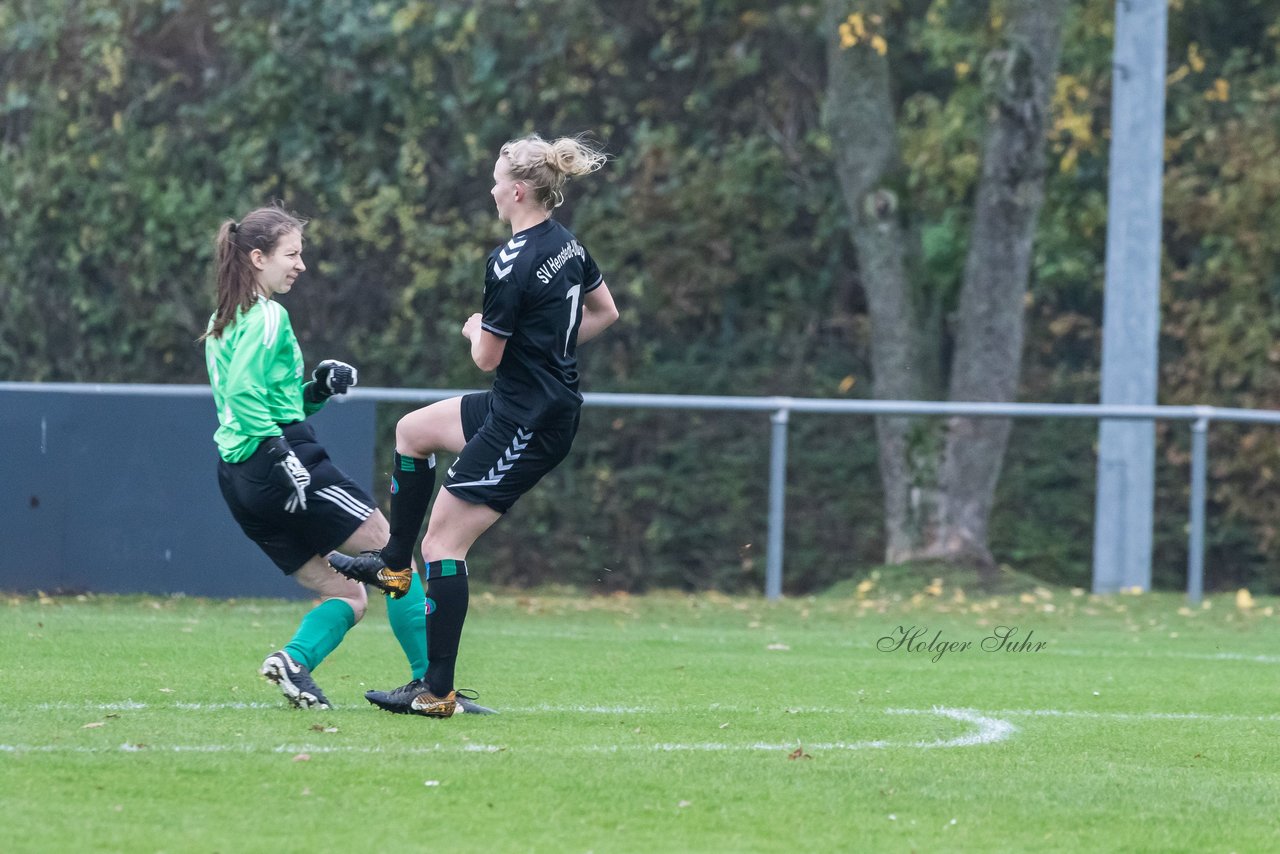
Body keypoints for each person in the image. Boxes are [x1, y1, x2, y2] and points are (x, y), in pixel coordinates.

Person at [330, 133, 620, 718]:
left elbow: (485, 357)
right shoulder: (570, 246)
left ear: (516, 191)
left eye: (494, 182)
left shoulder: (510, 263)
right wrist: (547, 353)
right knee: (412, 432)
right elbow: (605, 312)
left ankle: (436, 692)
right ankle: (391, 563)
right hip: (520, 400)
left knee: (442, 543)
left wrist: (473, 327)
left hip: (530, 419)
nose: (490, 191)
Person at [203, 204, 450, 712]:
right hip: (284, 459)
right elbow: (246, 394)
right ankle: (431, 687)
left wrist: (316, 389)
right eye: (291, 254)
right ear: (257, 258)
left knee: (349, 595)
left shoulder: (223, 319)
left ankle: (293, 662)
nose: (300, 265)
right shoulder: (269, 314)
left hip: (238, 479)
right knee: (393, 553)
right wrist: (281, 454)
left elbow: (263, 397)